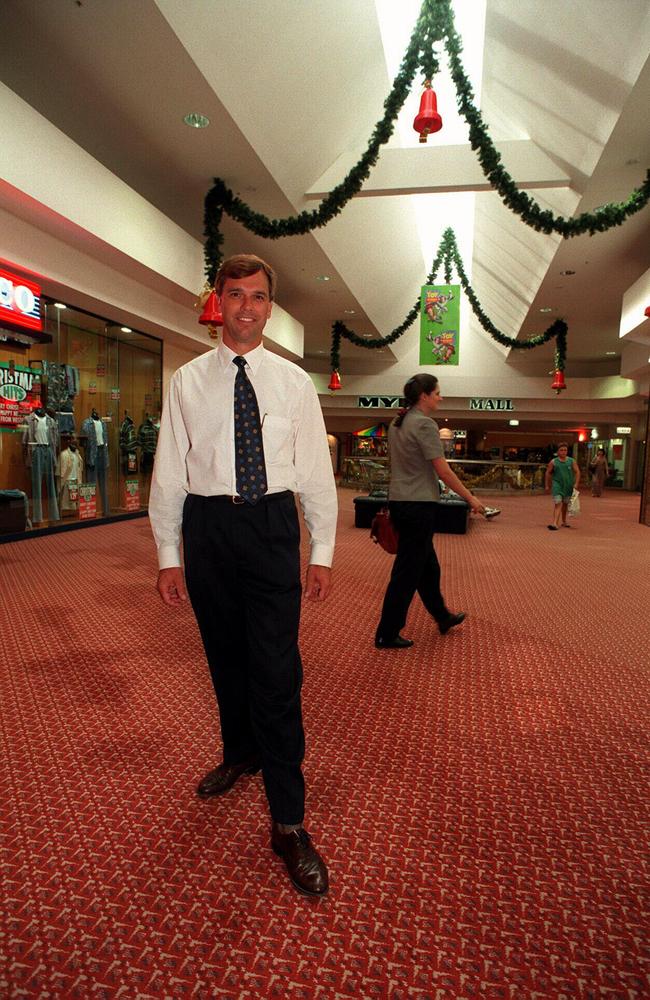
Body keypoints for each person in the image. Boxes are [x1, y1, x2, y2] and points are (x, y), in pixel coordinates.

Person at [149, 253, 337, 897]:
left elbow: (314, 473)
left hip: (271, 528)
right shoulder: (187, 381)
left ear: (270, 306)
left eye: (259, 296)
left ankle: (288, 821)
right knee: (225, 657)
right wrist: (169, 555)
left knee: (277, 671)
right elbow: (170, 472)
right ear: (218, 303)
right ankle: (240, 752)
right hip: (208, 528)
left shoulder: (293, 384)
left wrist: (323, 550)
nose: (247, 307)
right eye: (236, 295)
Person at [375, 374, 486, 650]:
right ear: (424, 396)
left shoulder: (397, 423)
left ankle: (442, 616)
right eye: (437, 392)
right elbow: (443, 470)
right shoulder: (425, 424)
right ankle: (386, 633)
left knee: (427, 566)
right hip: (418, 505)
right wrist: (471, 498)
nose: (441, 397)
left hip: (401, 502)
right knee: (407, 573)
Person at [545, 441, 580, 529]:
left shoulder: (571, 461)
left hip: (568, 486)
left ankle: (564, 521)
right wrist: (547, 485)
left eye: (565, 450)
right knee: (558, 503)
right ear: (558, 452)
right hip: (557, 485)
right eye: (561, 450)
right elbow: (548, 473)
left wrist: (576, 483)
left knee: (565, 504)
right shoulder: (554, 462)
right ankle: (555, 523)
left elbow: (577, 472)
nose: (563, 452)